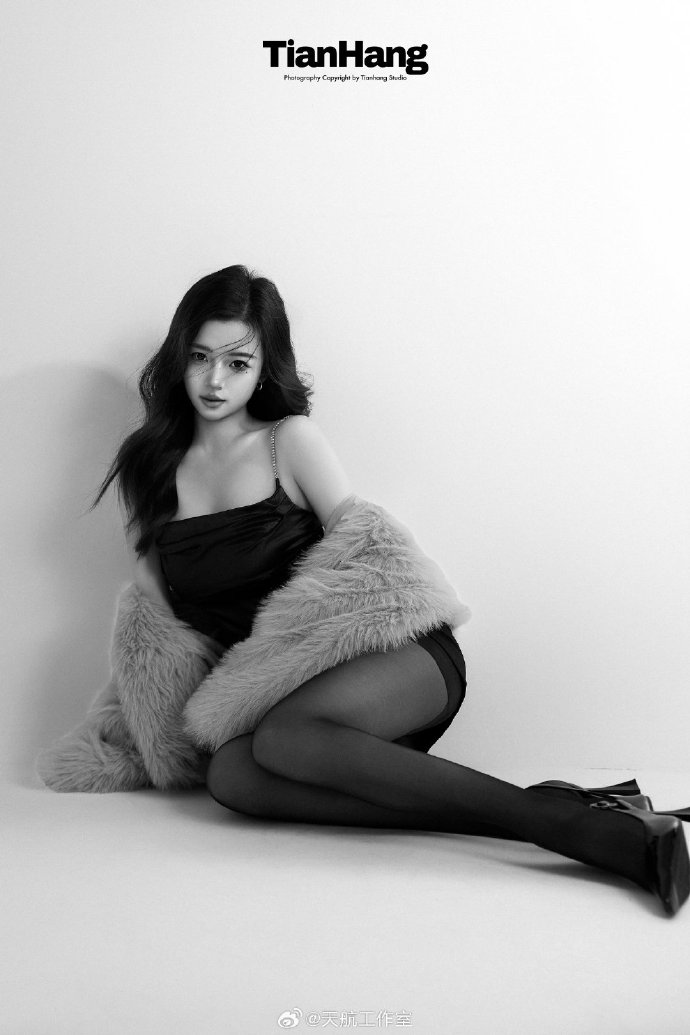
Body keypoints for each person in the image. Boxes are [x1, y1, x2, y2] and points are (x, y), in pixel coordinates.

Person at [94, 264, 689, 917]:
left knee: (281, 740)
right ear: (179, 356)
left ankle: (586, 832)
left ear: (263, 369)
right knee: (231, 775)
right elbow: (161, 619)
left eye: (237, 362)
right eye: (200, 357)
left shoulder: (288, 441)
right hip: (291, 701)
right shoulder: (151, 468)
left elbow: (370, 554)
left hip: (392, 654)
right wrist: (146, 725)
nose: (214, 380)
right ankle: (563, 807)